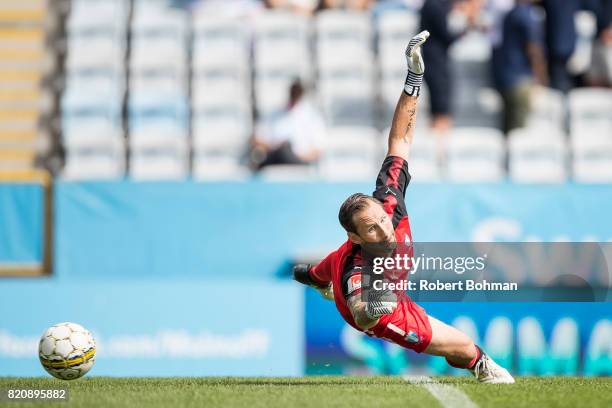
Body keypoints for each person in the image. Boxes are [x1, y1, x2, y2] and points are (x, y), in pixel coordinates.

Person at [293, 31, 515, 383]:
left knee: (317, 270)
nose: (383, 229)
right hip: (382, 305)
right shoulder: (356, 265)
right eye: (371, 229)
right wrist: (377, 306)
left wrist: (414, 78)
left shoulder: (389, 202)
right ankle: (483, 368)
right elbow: (360, 313)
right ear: (355, 236)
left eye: (381, 220)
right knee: (463, 347)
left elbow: (400, 138)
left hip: (346, 269)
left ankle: (312, 276)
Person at [420, 0, 482, 135]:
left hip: (437, 63)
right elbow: (447, 35)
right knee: (440, 110)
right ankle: (440, 146)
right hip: (435, 65)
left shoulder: (435, 4)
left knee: (441, 108)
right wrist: (467, 25)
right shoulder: (434, 5)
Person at [496, 0, 547, 134]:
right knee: (518, 134)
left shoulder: (511, 14)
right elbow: (533, 49)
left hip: (507, 78)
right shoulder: (525, 15)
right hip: (520, 80)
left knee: (508, 130)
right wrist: (541, 77)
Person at [250, 80, 324, 170]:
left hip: (299, 162)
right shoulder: (274, 113)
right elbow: (257, 139)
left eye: (297, 93)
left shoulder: (312, 117)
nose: (294, 96)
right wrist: (275, 146)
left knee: (286, 151)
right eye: (293, 92)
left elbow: (317, 149)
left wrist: (297, 156)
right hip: (275, 157)